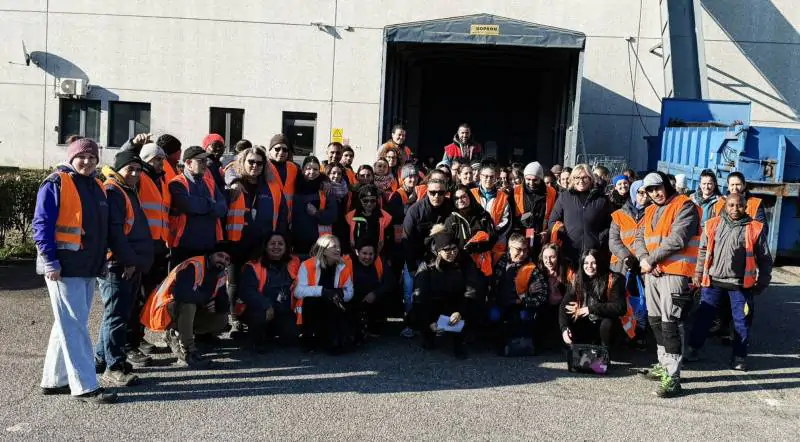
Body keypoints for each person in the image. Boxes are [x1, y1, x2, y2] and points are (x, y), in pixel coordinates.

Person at [33, 138, 116, 403]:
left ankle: (54, 380)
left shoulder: (96, 185)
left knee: (68, 323)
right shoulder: (56, 182)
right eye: (82, 156)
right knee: (75, 325)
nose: (88, 161)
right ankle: (85, 386)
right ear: (71, 158)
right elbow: (41, 224)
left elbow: (100, 229)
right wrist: (50, 261)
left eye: (92, 157)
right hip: (63, 267)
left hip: (87, 266)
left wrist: (102, 260)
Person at [634, 172, 701, 398]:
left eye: (658, 188)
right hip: (652, 272)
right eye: (650, 190)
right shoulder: (649, 210)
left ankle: (673, 377)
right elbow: (639, 238)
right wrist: (645, 260)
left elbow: (679, 239)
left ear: (666, 185)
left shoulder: (685, 205)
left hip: (674, 273)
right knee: (656, 322)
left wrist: (651, 260)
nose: (655, 193)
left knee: (671, 324)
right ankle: (664, 365)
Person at [687, 193, 772, 371]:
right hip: (713, 281)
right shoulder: (712, 224)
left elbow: (765, 258)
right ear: (725, 206)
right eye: (731, 205)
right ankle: (693, 349)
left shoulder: (755, 228)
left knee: (742, 321)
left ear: (746, 207)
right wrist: (698, 273)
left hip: (740, 285)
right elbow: (702, 251)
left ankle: (739, 357)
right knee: (704, 317)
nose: (735, 209)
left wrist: (763, 282)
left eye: (739, 205)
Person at [96, 151, 155, 386]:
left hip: (127, 262)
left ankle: (101, 359)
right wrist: (129, 261)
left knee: (115, 315)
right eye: (130, 168)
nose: (135, 173)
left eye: (138, 170)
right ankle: (114, 367)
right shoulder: (114, 191)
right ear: (118, 169)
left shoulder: (126, 189)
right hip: (118, 265)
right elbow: (115, 233)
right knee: (117, 317)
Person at [225, 147, 289, 332]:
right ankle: (234, 318)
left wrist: (280, 237)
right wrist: (233, 180)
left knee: (257, 282)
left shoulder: (272, 186)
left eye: (259, 163)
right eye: (251, 162)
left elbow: (282, 213)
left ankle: (255, 316)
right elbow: (226, 169)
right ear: (243, 162)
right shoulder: (233, 183)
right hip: (236, 241)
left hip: (262, 242)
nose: (255, 166)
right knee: (234, 282)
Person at [141, 251, 231, 367]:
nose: (223, 260)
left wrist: (217, 304)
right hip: (161, 310)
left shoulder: (220, 274)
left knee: (221, 318)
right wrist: (205, 300)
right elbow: (182, 294)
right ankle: (187, 351)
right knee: (188, 305)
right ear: (210, 255)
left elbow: (224, 304)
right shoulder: (193, 265)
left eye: (227, 259)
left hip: (186, 309)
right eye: (220, 256)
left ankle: (178, 334)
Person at [412, 224, 484, 359]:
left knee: (475, 305)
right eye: (447, 250)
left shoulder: (465, 261)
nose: (452, 253)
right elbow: (419, 295)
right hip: (434, 303)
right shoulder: (427, 264)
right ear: (439, 251)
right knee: (417, 311)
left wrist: (460, 312)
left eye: (454, 248)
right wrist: (428, 321)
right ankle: (429, 334)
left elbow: (472, 289)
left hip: (457, 301)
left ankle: (461, 340)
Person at [130, 142, 171, 362]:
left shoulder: (160, 179)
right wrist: (131, 145)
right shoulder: (140, 177)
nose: (160, 162)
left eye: (162, 158)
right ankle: (130, 343)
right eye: (156, 158)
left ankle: (139, 338)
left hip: (158, 245)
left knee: (147, 295)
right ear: (145, 160)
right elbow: (122, 160)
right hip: (143, 244)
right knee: (135, 297)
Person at [402, 177, 453, 335]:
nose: (437, 196)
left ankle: (437, 324)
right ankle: (410, 324)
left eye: (441, 192)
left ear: (446, 192)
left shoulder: (451, 208)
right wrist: (411, 267)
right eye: (433, 192)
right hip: (416, 257)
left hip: (440, 258)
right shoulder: (415, 210)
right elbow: (406, 239)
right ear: (427, 192)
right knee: (410, 291)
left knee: (439, 292)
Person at [234, 232, 301, 349]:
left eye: (280, 244)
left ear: (286, 247)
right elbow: (247, 292)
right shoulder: (253, 265)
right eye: (272, 243)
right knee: (260, 317)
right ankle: (255, 338)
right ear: (265, 246)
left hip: (283, 309)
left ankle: (270, 333)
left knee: (292, 334)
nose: (276, 246)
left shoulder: (294, 261)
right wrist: (266, 305)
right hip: (259, 309)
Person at [167, 146, 227, 268]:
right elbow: (188, 205)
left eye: (206, 161)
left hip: (207, 245)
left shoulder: (210, 183)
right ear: (188, 163)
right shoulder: (177, 183)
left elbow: (222, 209)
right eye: (201, 161)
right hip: (183, 246)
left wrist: (202, 205)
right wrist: (211, 204)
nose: (206, 164)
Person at [293, 235, 355, 354]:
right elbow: (298, 292)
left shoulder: (343, 266)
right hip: (312, 309)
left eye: (339, 247)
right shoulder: (307, 265)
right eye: (334, 247)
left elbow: (350, 292)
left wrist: (339, 293)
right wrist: (322, 291)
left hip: (332, 309)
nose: (338, 249)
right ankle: (309, 337)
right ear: (324, 250)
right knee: (311, 301)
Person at [492, 233, 548, 355]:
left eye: (525, 250)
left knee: (524, 316)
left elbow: (542, 296)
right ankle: (499, 343)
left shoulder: (532, 268)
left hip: (521, 305)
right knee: (493, 315)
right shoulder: (498, 260)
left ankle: (522, 344)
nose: (522, 254)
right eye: (518, 250)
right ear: (509, 248)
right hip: (500, 303)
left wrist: (526, 298)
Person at [559, 249, 626, 352]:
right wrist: (564, 328)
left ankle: (605, 351)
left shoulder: (614, 279)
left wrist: (590, 309)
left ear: (600, 263)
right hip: (586, 323)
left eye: (593, 263)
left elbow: (620, 307)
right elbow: (564, 306)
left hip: (606, 324)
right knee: (571, 316)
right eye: (586, 263)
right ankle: (579, 348)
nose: (589, 266)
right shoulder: (577, 279)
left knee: (607, 323)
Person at [548, 164, 612, 266]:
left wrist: (599, 238)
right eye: (577, 177)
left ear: (590, 179)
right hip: (569, 251)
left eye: (584, 177)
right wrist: (563, 232)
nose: (580, 181)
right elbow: (552, 221)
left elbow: (610, 224)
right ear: (572, 179)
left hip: (593, 254)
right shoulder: (564, 197)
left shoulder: (601, 199)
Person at [444, 185, 497, 278]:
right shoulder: (451, 219)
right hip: (461, 266)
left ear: (470, 197)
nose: (460, 200)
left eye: (463, 197)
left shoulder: (482, 215)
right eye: (456, 198)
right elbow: (447, 244)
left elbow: (493, 237)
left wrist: (477, 247)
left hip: (482, 265)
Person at [346, 241, 394, 339]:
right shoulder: (347, 262)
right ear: (357, 252)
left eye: (371, 254)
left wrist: (375, 294)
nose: (367, 257)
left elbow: (390, 282)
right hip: (352, 299)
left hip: (374, 299)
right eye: (364, 253)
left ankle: (376, 324)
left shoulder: (380, 261)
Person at [291, 156, 338, 257]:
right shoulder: (293, 185)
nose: (311, 172)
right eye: (308, 168)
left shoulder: (325, 189)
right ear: (302, 170)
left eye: (315, 169)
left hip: (320, 244)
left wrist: (317, 213)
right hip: (296, 242)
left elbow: (333, 215)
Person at [471, 164, 512, 263]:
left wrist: (494, 233)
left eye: (491, 177)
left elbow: (507, 220)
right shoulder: (471, 194)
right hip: (474, 241)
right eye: (485, 176)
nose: (488, 179)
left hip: (496, 242)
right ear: (480, 176)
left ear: (495, 178)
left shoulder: (503, 197)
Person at [513, 162, 557, 253]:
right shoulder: (515, 192)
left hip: (543, 236)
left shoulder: (552, 192)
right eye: (528, 179)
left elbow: (555, 216)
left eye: (535, 180)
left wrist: (548, 231)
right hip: (522, 235)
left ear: (541, 178)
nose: (531, 183)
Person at [538, 244, 573, 350]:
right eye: (545, 257)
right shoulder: (538, 272)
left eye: (552, 257)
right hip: (546, 306)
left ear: (558, 257)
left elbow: (571, 295)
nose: (548, 261)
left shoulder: (567, 272)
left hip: (562, 307)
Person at [609, 180, 647, 275]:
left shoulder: (653, 214)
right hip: (621, 263)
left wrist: (644, 258)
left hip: (644, 263)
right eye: (641, 192)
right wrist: (627, 257)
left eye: (647, 192)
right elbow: (613, 241)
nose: (645, 196)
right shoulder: (619, 215)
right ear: (633, 193)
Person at [344, 185, 393, 255]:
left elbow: (388, 241)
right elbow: (346, 239)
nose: (369, 204)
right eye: (365, 201)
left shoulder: (386, 217)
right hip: (355, 255)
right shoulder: (350, 216)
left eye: (372, 201)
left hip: (377, 255)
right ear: (360, 200)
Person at [265, 134, 301, 219]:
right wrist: (236, 181)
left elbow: (309, 179)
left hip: (286, 219)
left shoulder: (293, 168)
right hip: (266, 220)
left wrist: (324, 180)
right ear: (270, 150)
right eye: (277, 149)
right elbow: (239, 170)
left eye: (285, 149)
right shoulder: (262, 165)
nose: (281, 152)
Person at [726, 172, 768, 236]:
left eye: (738, 184)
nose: (735, 188)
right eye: (732, 185)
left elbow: (763, 229)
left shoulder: (755, 203)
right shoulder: (721, 202)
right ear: (728, 186)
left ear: (744, 185)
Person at [202, 133, 227, 198]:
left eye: (221, 146)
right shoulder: (207, 164)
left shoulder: (217, 164)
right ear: (206, 147)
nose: (218, 148)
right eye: (214, 145)